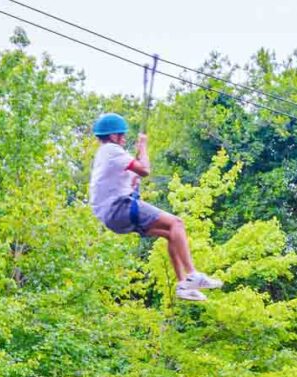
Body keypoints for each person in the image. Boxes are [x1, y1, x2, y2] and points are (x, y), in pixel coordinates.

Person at [88, 113, 223, 303]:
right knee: (177, 223)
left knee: (170, 233)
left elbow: (134, 177)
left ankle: (183, 285)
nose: (124, 138)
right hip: (120, 208)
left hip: (113, 217)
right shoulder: (111, 150)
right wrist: (143, 147)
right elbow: (145, 169)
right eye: (122, 134)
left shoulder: (105, 156)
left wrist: (133, 177)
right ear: (112, 136)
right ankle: (193, 274)